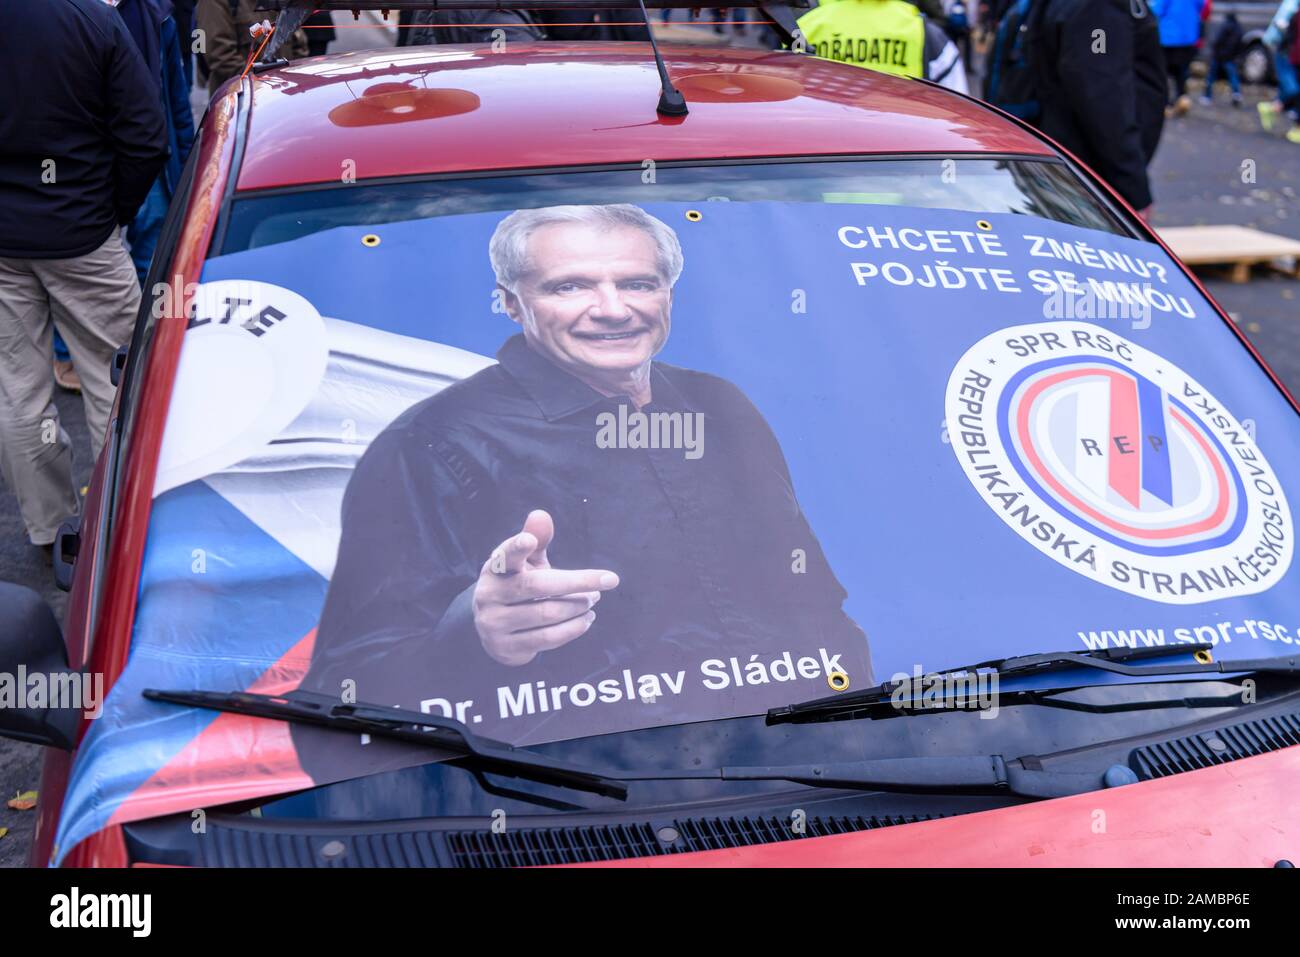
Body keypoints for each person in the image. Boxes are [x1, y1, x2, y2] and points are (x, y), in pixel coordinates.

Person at [299, 204, 871, 750]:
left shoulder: (719, 405)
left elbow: (817, 605)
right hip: (591, 802)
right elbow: (344, 697)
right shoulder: (431, 443)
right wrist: (474, 636)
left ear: (669, 295)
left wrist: (859, 735)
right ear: (512, 304)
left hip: (808, 774)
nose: (613, 308)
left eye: (638, 283)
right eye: (569, 286)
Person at [0, 0, 167, 554]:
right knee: (119, 381)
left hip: (13, 239)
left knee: (20, 394)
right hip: (82, 233)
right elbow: (146, 136)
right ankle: (121, 527)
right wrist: (111, 213)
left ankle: (50, 529)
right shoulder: (90, 19)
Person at [1028, 0, 1166, 220]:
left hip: (1068, 167)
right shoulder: (1098, 7)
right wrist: (1133, 191)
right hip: (1090, 178)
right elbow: (1103, 99)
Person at [118, 0, 196, 285]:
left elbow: (177, 102)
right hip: (92, 163)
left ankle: (152, 327)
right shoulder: (72, 14)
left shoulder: (158, 16)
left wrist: (188, 163)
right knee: (81, 278)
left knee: (154, 265)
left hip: (151, 161)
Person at [796, 0, 970, 93]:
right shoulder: (923, 31)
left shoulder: (803, 27)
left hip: (822, 150)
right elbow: (958, 111)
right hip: (901, 150)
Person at [195, 0, 308, 96]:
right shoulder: (214, 3)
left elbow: (298, 40)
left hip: (284, 94)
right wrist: (264, 85)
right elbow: (221, 55)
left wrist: (293, 79)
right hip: (242, 101)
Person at [1152, 0, 1207, 116]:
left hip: (1168, 37)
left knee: (1163, 72)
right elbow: (1202, 6)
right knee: (1181, 72)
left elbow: (1156, 10)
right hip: (1189, 36)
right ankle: (1182, 98)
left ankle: (1165, 103)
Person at [1259, 1, 1300, 142]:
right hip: (1289, 54)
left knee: (1294, 90)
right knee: (1294, 89)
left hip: (1291, 54)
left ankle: (1274, 107)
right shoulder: (1294, 9)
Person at [1201, 12, 1244, 106]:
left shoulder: (1225, 27)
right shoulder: (1238, 29)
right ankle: (1236, 93)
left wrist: (1214, 51)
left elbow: (1218, 40)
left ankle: (1207, 96)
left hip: (1219, 56)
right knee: (1233, 76)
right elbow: (1240, 45)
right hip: (1230, 57)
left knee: (1211, 76)